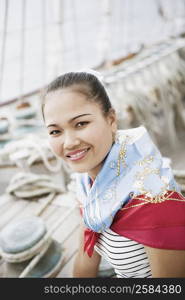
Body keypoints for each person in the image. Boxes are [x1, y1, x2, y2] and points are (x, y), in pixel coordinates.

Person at [41, 70, 185, 278]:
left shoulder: (155, 199)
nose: (69, 142)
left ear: (111, 120)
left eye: (81, 124)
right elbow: (85, 258)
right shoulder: (85, 183)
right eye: (55, 131)